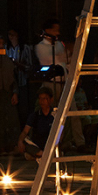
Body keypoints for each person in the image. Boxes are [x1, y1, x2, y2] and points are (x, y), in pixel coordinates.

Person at [34, 19, 85, 149]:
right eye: (55, 29)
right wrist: (66, 53)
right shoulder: (41, 46)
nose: (58, 32)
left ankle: (80, 142)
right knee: (50, 113)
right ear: (48, 30)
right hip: (51, 83)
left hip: (65, 83)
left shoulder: (59, 45)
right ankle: (50, 142)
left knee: (73, 112)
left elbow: (67, 61)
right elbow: (53, 60)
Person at [18, 88, 57, 160]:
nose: (42, 101)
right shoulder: (35, 115)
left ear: (51, 99)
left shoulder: (55, 114)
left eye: (45, 98)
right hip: (37, 144)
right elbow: (25, 131)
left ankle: (40, 155)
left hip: (51, 143)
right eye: (40, 98)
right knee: (25, 143)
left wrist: (56, 143)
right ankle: (41, 154)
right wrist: (20, 141)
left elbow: (60, 132)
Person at [6, 28, 35, 123]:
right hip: (10, 82)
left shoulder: (24, 48)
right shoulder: (6, 48)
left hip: (22, 81)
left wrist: (18, 64)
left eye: (13, 35)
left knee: (23, 109)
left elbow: (29, 66)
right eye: (9, 34)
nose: (11, 37)